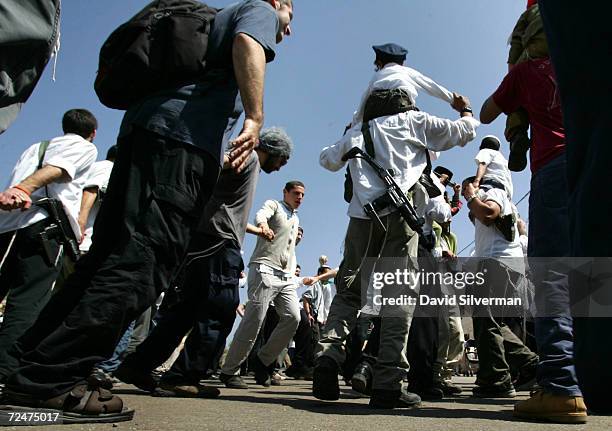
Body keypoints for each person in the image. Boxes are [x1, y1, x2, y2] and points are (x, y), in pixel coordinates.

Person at [1, 0, 294, 422]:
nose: (288, 29)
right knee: (142, 262)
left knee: (105, 258)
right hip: (183, 145)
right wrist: (254, 117)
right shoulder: (258, 11)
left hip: (147, 132)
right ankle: (49, 382)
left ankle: (26, 369)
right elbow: (249, 42)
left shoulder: (208, 22)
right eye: (291, 16)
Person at [315, 90, 479, 409]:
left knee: (349, 293)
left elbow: (326, 159)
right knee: (398, 298)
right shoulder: (412, 125)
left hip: (361, 219)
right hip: (402, 221)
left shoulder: (360, 132)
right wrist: (466, 111)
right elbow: (463, 134)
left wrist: (352, 134)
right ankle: (388, 382)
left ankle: (327, 358)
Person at [113, 127, 293, 397]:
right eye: (283, 160)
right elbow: (215, 167)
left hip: (207, 239)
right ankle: (184, 376)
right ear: (274, 151)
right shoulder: (251, 157)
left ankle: (138, 366)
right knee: (220, 308)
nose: (281, 167)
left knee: (186, 310)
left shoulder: (250, 162)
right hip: (218, 240)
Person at [480, 45, 586, 422]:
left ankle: (560, 385)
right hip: (595, 159)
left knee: (554, 274)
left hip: (553, 165)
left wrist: (517, 102)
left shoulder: (526, 71)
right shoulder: (589, 53)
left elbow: (485, 112)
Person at [0, 109, 98, 381]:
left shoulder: (35, 147)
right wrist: (25, 189)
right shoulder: (84, 147)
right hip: (44, 227)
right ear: (93, 133)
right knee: (28, 300)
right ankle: (5, 373)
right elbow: (58, 169)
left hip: (9, 226)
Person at [220, 181, 305, 389]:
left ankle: (262, 360)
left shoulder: (295, 217)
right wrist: (264, 226)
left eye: (303, 195)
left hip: (284, 277)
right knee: (254, 320)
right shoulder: (274, 205)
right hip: (264, 269)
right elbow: (261, 215)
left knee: (294, 318)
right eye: (295, 193)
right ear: (285, 192)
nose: (300, 198)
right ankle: (229, 371)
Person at [461, 177, 538, 398]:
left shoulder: (492, 192)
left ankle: (496, 379)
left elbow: (488, 214)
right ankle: (530, 363)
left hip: (495, 262)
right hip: (505, 265)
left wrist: (471, 194)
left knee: (486, 322)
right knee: (493, 324)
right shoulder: (504, 200)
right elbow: (476, 216)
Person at [352, 43, 455, 126]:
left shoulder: (377, 76)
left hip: (375, 118)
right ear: (402, 62)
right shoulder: (405, 71)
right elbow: (430, 86)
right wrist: (453, 99)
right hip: (403, 112)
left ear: (379, 62)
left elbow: (364, 100)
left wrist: (354, 123)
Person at [504, 0, 548, 172]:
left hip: (533, 52)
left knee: (517, 98)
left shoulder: (529, 13)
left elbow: (516, 43)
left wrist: (513, 77)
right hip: (562, 49)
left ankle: (517, 133)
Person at [78, 145, 117, 253]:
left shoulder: (93, 167)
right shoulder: (108, 167)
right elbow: (90, 191)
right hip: (85, 241)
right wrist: (80, 224)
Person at [472, 135, 513, 200]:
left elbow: (483, 164)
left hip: (491, 186)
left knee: (473, 200)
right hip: (506, 193)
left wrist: (476, 182)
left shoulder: (486, 151)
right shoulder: (503, 160)